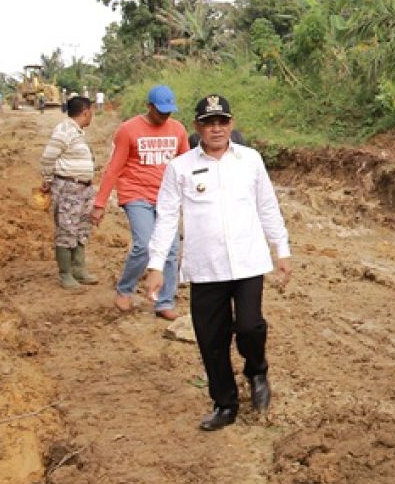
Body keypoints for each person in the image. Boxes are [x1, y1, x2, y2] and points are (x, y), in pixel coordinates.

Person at [145, 95, 292, 431]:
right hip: (205, 266)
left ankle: (257, 370)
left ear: (231, 124)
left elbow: (268, 207)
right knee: (211, 339)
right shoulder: (179, 168)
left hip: (248, 262)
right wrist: (156, 265)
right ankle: (225, 404)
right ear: (197, 126)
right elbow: (167, 218)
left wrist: (281, 249)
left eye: (222, 122)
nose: (216, 129)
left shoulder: (251, 161)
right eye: (208, 123)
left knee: (250, 327)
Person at [91, 85, 189, 319]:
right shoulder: (128, 130)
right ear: (149, 106)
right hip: (136, 194)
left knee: (172, 248)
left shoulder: (178, 130)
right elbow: (114, 168)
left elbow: (187, 166)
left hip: (167, 197)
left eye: (168, 112)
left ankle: (164, 301)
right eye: (160, 111)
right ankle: (125, 289)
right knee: (144, 244)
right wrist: (99, 203)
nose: (165, 116)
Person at [40, 95, 99, 289]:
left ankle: (79, 269)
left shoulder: (77, 131)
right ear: (86, 112)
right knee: (66, 229)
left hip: (82, 188)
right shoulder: (64, 131)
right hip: (68, 188)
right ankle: (65, 273)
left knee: (81, 228)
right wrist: (48, 182)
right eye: (92, 111)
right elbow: (48, 158)